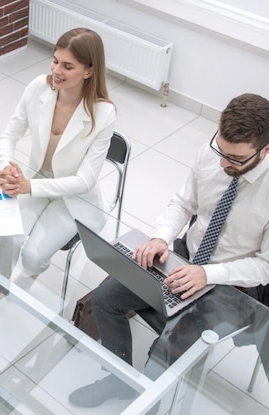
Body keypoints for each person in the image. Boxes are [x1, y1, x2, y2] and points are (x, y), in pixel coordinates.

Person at [69, 93, 269, 408]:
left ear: (265, 149)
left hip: (232, 285)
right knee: (105, 299)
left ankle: (148, 404)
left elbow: (265, 266)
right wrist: (162, 237)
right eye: (221, 150)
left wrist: (207, 274)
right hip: (184, 258)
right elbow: (183, 203)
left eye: (234, 159)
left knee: (169, 345)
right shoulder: (211, 152)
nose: (222, 162)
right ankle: (119, 380)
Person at [0, 28, 116, 307]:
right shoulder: (37, 88)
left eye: (68, 66)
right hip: (34, 179)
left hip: (73, 198)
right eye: (55, 60)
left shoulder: (103, 113)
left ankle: (27, 277)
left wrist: (29, 187)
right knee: (8, 237)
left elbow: (85, 181)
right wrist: (7, 168)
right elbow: (9, 135)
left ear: (89, 71)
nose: (56, 70)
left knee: (32, 255)